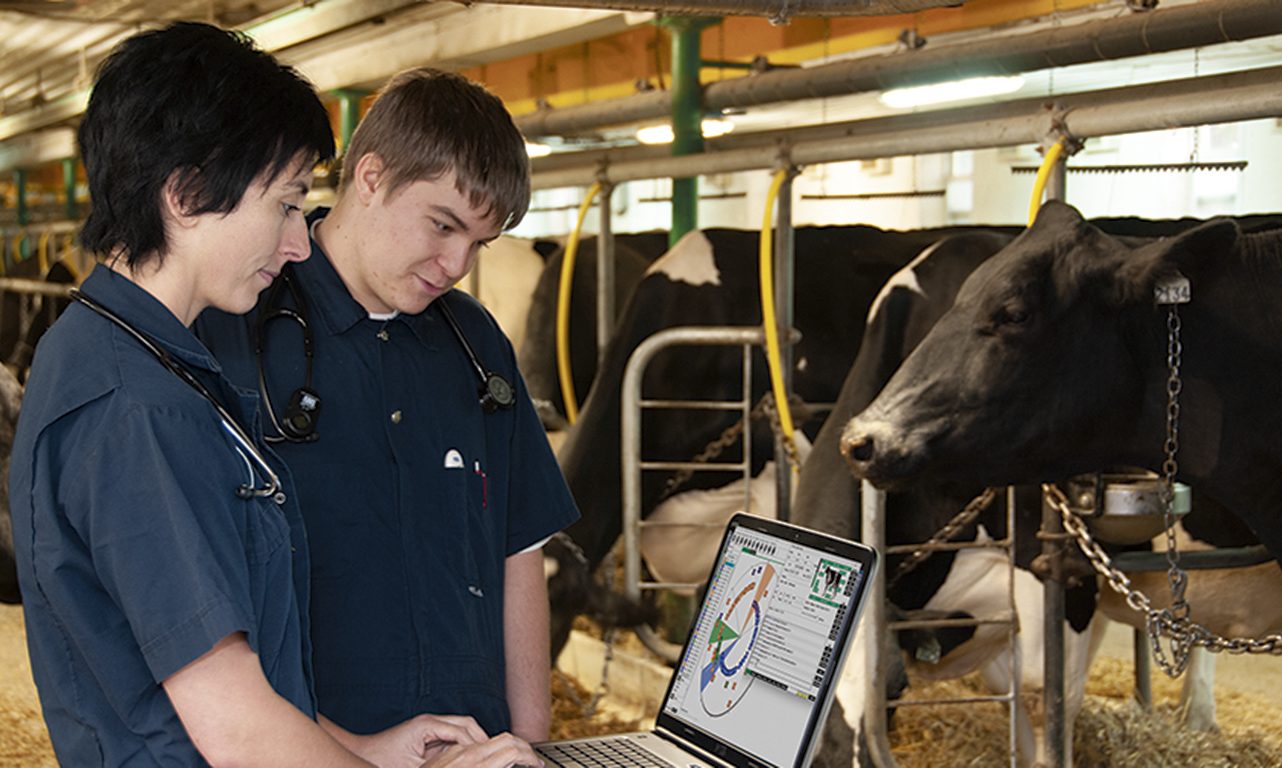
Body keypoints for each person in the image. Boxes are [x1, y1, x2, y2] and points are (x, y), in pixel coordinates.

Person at [9, 22, 541, 767]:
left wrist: (365, 750)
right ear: (189, 194)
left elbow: (218, 685)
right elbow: (236, 730)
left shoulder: (143, 358)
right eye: (288, 204)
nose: (298, 242)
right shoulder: (134, 404)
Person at [196, 68, 580, 741]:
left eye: (478, 243)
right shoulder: (236, 328)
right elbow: (202, 606)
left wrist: (532, 743)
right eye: (442, 225)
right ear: (370, 178)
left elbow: (521, 551)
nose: (457, 263)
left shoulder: (475, 341)